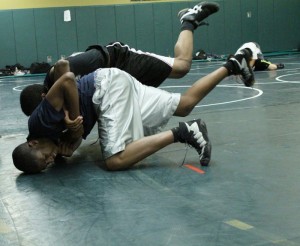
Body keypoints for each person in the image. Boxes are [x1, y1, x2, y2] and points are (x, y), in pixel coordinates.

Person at [12, 42, 255, 174]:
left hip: (106, 85)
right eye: (48, 164)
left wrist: (74, 121)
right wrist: (72, 143)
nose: (50, 159)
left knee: (115, 160)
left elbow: (66, 77)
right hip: (114, 84)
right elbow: (77, 133)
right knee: (184, 105)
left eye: (45, 157)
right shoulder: (52, 138)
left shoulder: (38, 122)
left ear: (32, 142)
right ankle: (231, 65)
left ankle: (183, 132)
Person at [20, 1, 220, 116]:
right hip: (113, 86)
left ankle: (188, 21)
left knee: (182, 66)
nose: (49, 115)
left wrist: (72, 115)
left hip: (121, 62)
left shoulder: (57, 76)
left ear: (44, 97)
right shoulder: (55, 99)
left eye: (44, 111)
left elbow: (66, 67)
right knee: (177, 109)